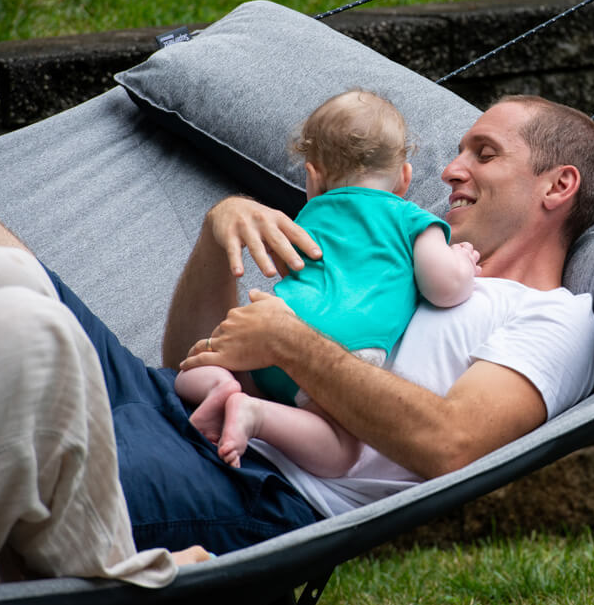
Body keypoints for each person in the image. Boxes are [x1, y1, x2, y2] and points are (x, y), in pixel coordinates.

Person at [0, 93, 594, 554]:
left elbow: (451, 444)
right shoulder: (401, 246)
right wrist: (218, 238)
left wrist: (292, 342)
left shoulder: (553, 320)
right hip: (177, 400)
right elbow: (186, 356)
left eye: (485, 152)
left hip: (255, 481)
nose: (450, 169)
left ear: (558, 186)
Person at [174, 89, 481, 475]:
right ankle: (254, 414)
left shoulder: (307, 218)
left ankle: (218, 386)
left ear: (313, 176)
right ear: (404, 178)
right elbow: (445, 287)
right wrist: (462, 260)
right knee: (340, 452)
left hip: (272, 325)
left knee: (194, 363)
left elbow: (296, 271)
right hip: (345, 348)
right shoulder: (409, 217)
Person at [0, 245, 210, 587]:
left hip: (249, 472)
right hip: (169, 394)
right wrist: (214, 244)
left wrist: (291, 348)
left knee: (41, 340)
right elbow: (185, 361)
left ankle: (107, 582)